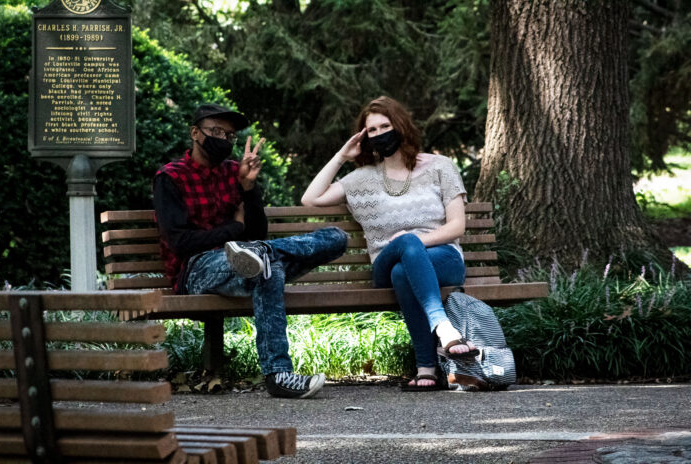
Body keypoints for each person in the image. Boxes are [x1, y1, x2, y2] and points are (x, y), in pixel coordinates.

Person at [154, 103, 348, 399]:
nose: (224, 139)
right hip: (196, 269)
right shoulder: (171, 177)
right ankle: (278, 374)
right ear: (195, 133)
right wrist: (233, 230)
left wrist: (247, 187)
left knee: (336, 238)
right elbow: (180, 242)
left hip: (249, 256)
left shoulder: (236, 171)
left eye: (229, 135)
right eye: (216, 131)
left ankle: (258, 257)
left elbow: (257, 233)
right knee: (265, 264)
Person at [301, 96, 478, 391]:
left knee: (403, 271)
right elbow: (311, 199)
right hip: (384, 262)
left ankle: (426, 368)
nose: (380, 133)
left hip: (443, 258)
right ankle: (444, 329)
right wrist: (342, 156)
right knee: (399, 260)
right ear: (365, 137)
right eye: (372, 130)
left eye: (385, 125)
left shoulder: (440, 166)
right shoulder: (361, 179)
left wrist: (417, 242)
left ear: (401, 125)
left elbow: (457, 226)